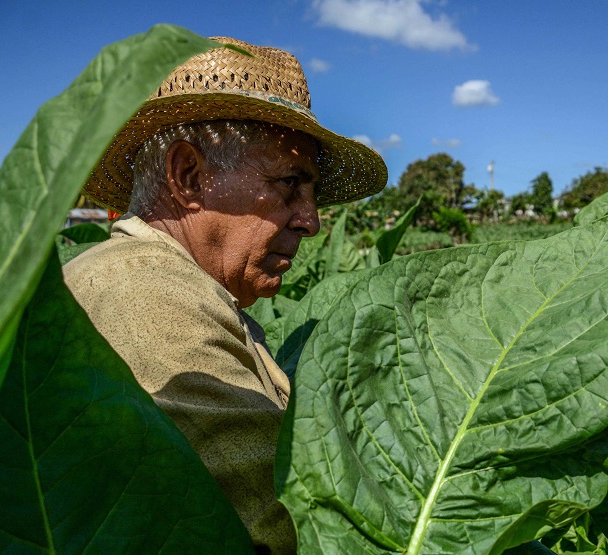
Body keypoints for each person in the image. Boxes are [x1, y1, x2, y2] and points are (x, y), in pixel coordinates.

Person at [63, 37, 387, 554]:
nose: (311, 220)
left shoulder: (175, 285)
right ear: (188, 176)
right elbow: (286, 523)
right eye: (288, 185)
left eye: (312, 194)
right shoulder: (146, 297)